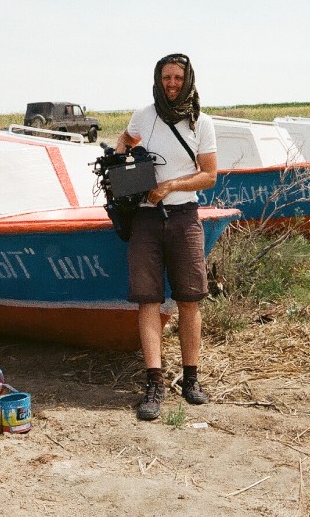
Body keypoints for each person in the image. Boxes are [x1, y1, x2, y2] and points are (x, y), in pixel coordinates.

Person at [114, 53, 218, 421]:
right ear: (157, 80)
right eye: (166, 78)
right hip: (144, 219)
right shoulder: (144, 114)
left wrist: (169, 185)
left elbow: (208, 175)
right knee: (148, 301)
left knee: (189, 300)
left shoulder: (201, 122)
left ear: (187, 79)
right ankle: (154, 383)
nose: (171, 84)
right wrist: (123, 151)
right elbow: (121, 148)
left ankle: (191, 379)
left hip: (185, 216)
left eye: (177, 77)